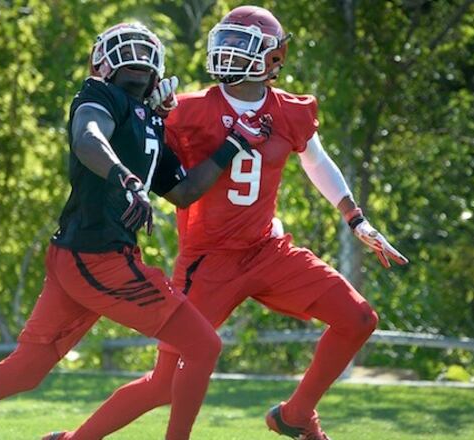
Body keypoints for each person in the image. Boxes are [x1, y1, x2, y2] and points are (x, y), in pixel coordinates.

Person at [0, 21, 272, 440]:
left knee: (27, 369)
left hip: (85, 256)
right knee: (203, 346)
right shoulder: (100, 95)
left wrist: (231, 145)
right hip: (100, 258)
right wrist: (124, 175)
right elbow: (87, 137)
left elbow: (185, 191)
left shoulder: (150, 121)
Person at [54, 6, 409, 440]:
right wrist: (148, 110)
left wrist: (356, 219)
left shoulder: (291, 112)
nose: (228, 52)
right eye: (226, 41)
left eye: (242, 46)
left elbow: (316, 161)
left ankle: (295, 415)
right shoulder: (188, 109)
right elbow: (131, 138)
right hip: (208, 260)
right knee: (164, 382)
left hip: (267, 249)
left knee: (358, 319)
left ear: (273, 58)